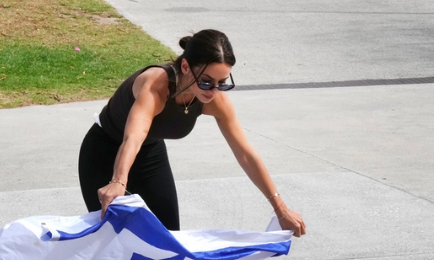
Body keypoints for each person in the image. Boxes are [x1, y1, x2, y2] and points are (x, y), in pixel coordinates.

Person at [78, 29, 306, 237]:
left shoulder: (216, 100)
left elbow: (246, 154)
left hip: (150, 155)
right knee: (114, 240)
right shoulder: (157, 85)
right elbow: (134, 137)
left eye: (222, 83)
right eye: (207, 82)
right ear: (186, 67)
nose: (214, 91)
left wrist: (281, 210)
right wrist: (118, 181)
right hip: (105, 152)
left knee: (168, 240)